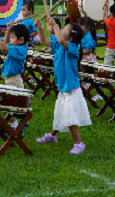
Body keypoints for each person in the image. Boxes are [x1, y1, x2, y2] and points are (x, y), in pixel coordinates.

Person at [37, 18, 91, 153]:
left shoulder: (74, 47)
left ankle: (78, 143)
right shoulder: (59, 44)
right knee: (60, 113)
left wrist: (55, 25)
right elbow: (44, 41)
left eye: (65, 29)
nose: (61, 30)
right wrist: (39, 27)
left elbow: (61, 40)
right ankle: (52, 136)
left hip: (71, 88)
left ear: (71, 38)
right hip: (63, 87)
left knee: (70, 116)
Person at [0, 23, 30, 132]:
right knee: (9, 106)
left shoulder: (20, 49)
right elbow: (6, 43)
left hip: (15, 81)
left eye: (13, 37)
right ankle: (20, 124)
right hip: (10, 80)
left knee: (9, 106)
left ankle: (17, 127)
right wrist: (8, 30)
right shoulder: (16, 46)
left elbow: (3, 47)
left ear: (21, 40)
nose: (10, 39)